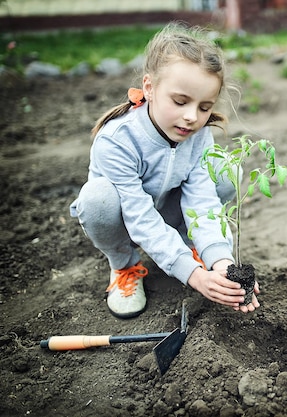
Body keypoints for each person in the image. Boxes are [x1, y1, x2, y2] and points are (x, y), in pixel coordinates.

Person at [70, 22, 260, 319]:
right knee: (97, 197)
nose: (191, 117)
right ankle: (124, 266)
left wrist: (222, 262)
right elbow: (140, 218)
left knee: (224, 171)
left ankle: (191, 246)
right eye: (180, 101)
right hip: (124, 220)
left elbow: (202, 201)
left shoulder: (197, 136)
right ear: (149, 87)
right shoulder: (118, 140)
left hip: (171, 214)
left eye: (204, 107)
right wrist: (194, 276)